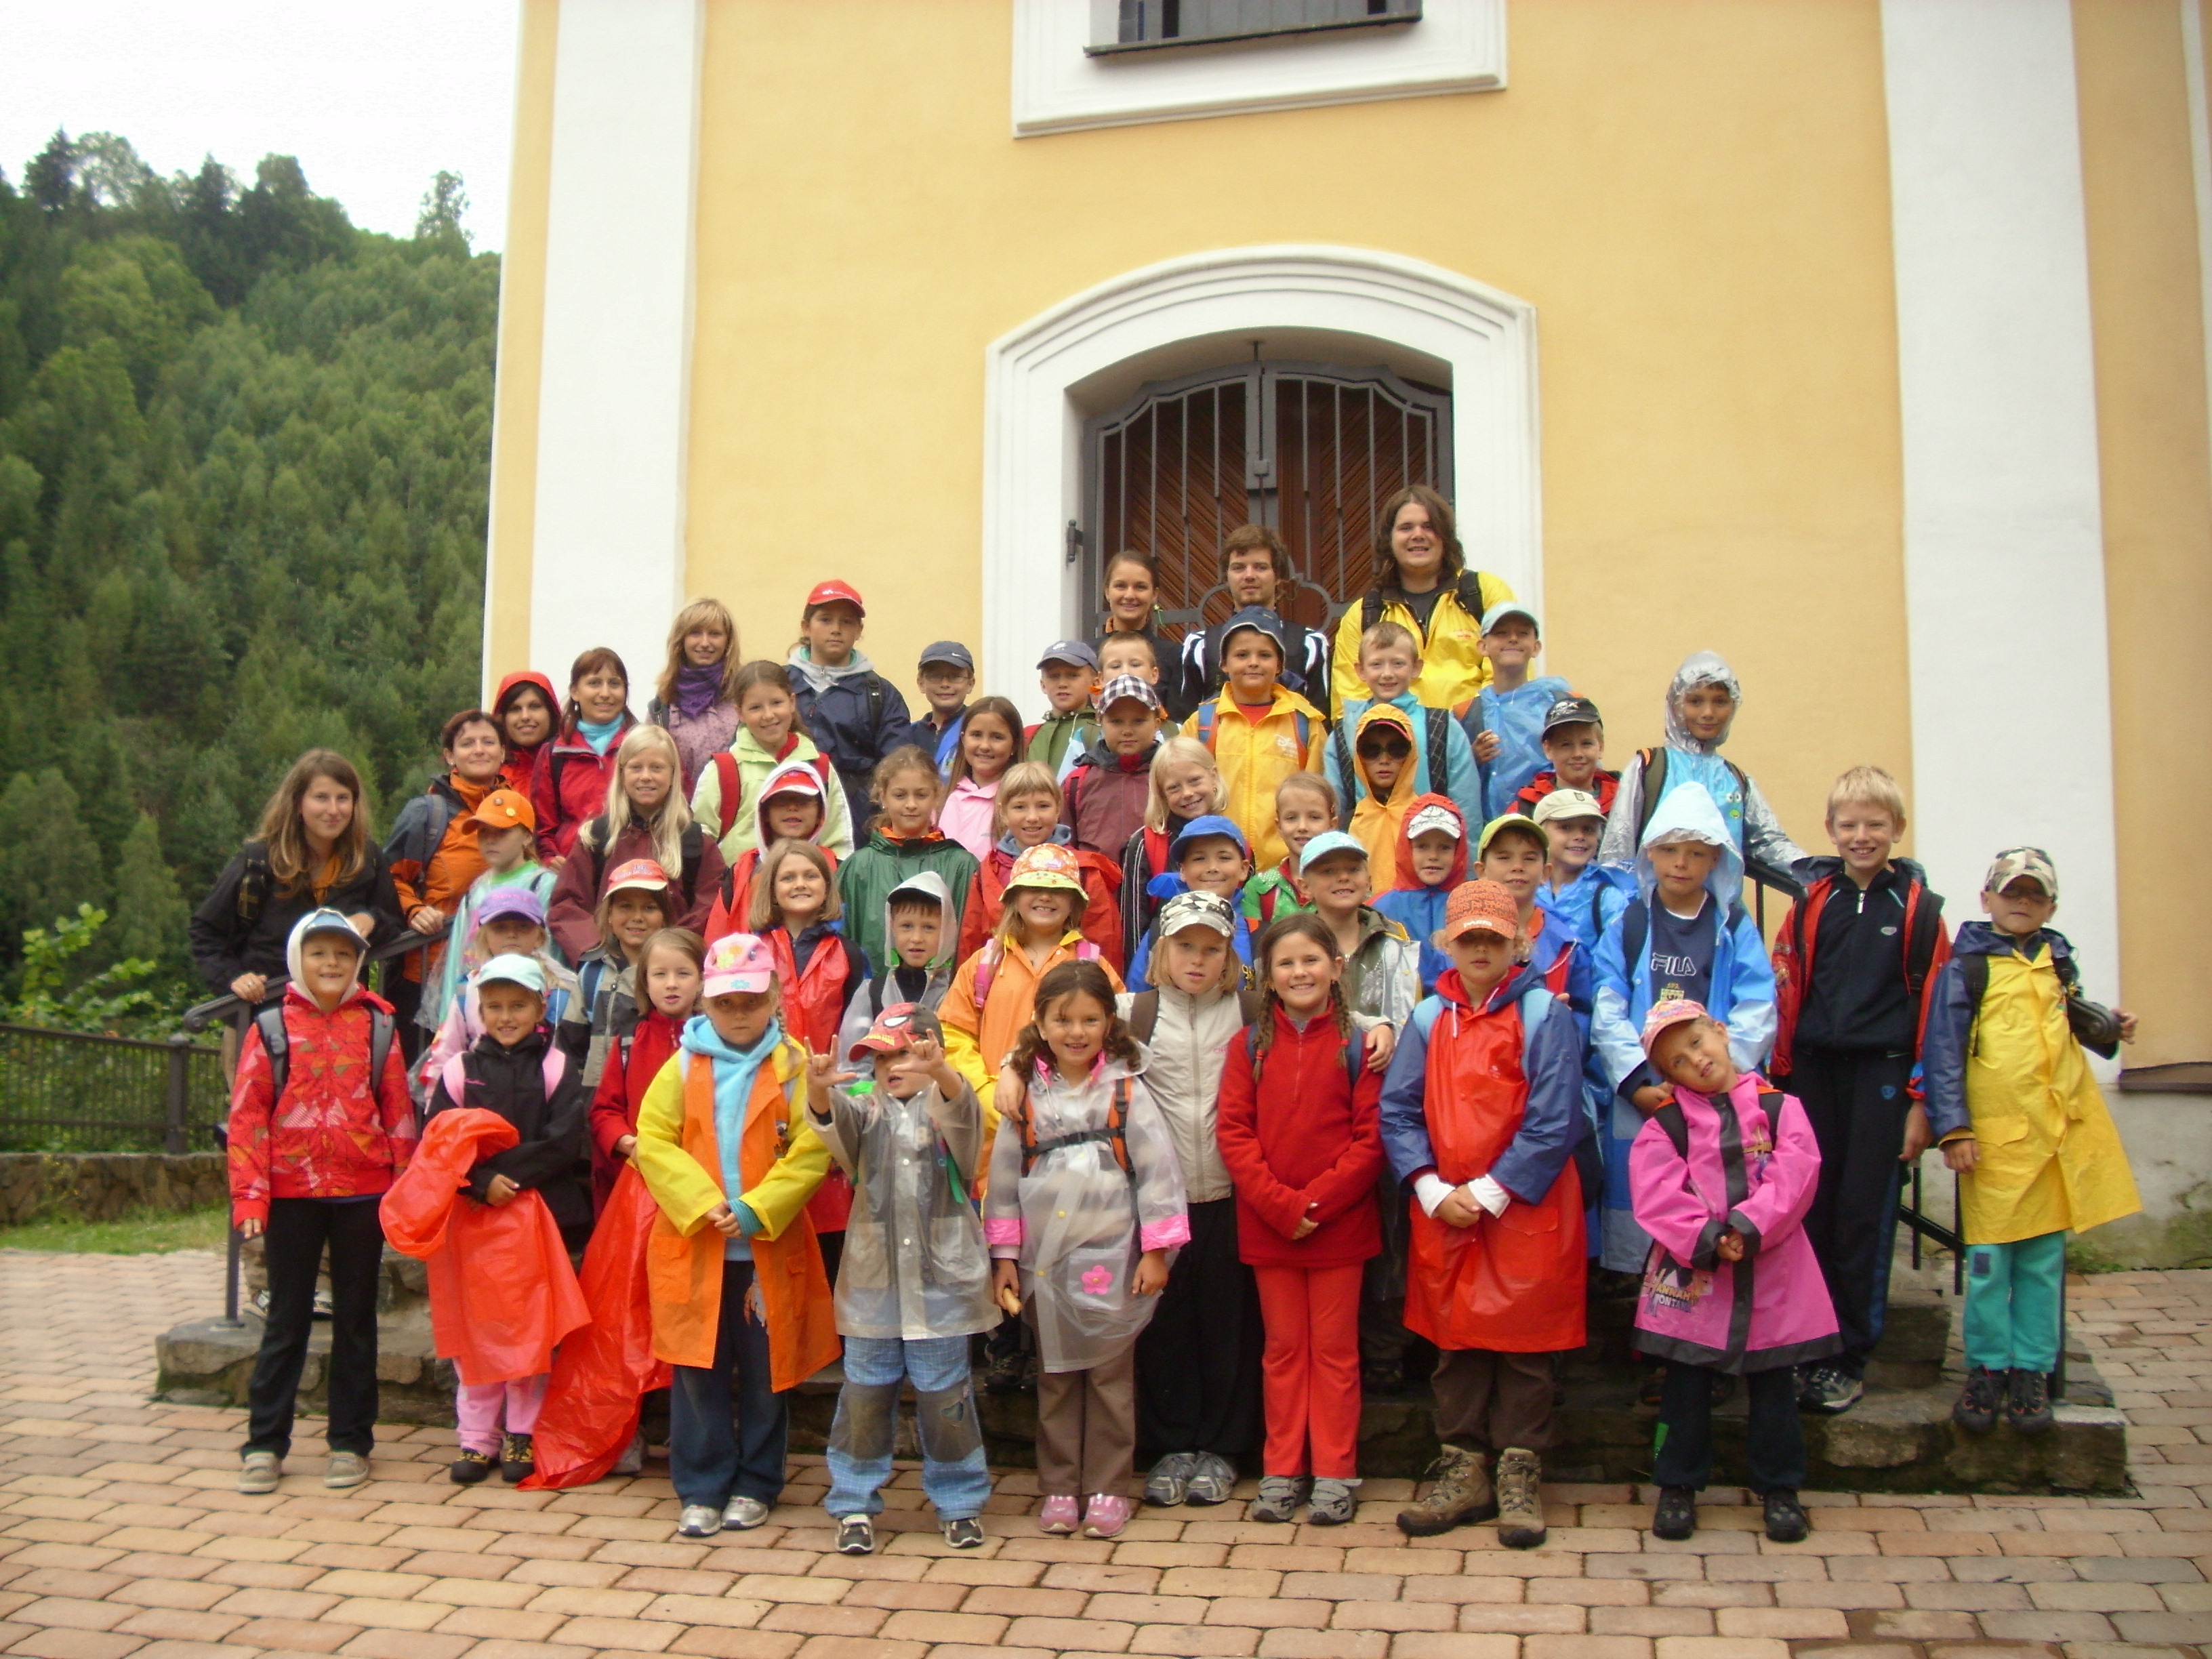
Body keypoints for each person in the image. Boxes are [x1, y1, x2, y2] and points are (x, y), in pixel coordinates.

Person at [1381, 880, 1586, 1549]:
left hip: (1526, 1208)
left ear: (1516, 943)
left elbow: (1555, 1118)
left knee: (1526, 1350)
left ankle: (1520, 1472)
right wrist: (1430, 1187)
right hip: (1447, 1209)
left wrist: (1495, 1190)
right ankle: (1463, 1467)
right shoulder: (1427, 1019)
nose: (1479, 949)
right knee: (1456, 1345)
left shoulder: (1544, 1016)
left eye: (1492, 938)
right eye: (1467, 937)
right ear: (1447, 942)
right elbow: (1398, 1110)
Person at [1923, 847, 2141, 1437]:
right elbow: (1943, 1052)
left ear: (2051, 906)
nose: (2022, 903)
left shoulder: (2056, 963)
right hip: (1994, 1148)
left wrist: (2109, 1027)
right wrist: (1954, 1129)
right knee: (1989, 1265)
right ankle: (1987, 1367)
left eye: (2034, 895)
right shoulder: (1967, 969)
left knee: (2043, 1265)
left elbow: (2070, 1027)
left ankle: (2032, 1370)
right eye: (2011, 892)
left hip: (2051, 1143)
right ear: (1987, 898)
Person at [632, 933, 840, 1540]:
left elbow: (811, 1149)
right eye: (727, 1003)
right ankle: (701, 1486)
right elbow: (653, 1140)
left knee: (765, 1370)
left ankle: (756, 1483)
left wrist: (755, 1209)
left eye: (751, 1001)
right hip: (697, 1246)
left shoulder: (793, 1066)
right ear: (707, 1002)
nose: (740, 1013)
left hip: (765, 1248)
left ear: (774, 997)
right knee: (698, 1370)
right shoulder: (682, 1065)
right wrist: (702, 1205)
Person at [1769, 766, 1951, 1415]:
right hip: (1815, 1073)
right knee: (1811, 1212)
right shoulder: (1813, 902)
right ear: (1830, 830)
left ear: (1897, 828)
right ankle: (1808, 1345)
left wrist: (1923, 1103)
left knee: (1862, 1217)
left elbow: (1937, 1013)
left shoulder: (1921, 911)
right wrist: (1780, 1079)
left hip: (1882, 1076)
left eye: (1875, 824)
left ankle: (1849, 1356)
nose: (1862, 836)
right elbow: (1786, 986)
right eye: (1849, 825)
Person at [985, 961, 1189, 1540]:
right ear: (1041, 1024)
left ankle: (1107, 1487)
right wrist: (1004, 1257)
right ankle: (1058, 1485)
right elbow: (1003, 1181)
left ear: (1109, 1023)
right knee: (1054, 1376)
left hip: (1113, 1260)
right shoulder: (1025, 1096)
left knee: (1109, 1377)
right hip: (1046, 1267)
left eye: (1090, 1020)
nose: (1076, 1032)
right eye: (1063, 1020)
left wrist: (1156, 1252)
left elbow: (1158, 1175)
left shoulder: (1126, 1091)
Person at [1631, 1001, 1834, 1546]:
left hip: (1774, 1274)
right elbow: (1656, 1193)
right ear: (1668, 1076)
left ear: (1720, 1033)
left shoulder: (1780, 1108)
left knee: (1774, 1386)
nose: (1696, 1060)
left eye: (1697, 1043)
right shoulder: (1666, 1126)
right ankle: (1676, 1484)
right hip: (1696, 1281)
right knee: (1685, 1386)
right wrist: (1708, 1237)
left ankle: (1780, 1487)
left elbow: (1796, 1174)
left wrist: (1749, 1225)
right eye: (1678, 1061)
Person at [228, 910, 415, 1496]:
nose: (331, 963)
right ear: (297, 959)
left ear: (358, 961)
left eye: (343, 953)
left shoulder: (380, 1025)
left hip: (364, 1194)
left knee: (357, 1321)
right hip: (292, 1195)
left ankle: (350, 1442)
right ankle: (265, 1443)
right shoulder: (271, 1027)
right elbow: (248, 1117)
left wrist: (405, 1192)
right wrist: (250, 1196)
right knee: (286, 1320)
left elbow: (399, 1112)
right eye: (318, 953)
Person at [806, 1006, 996, 1554]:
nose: (891, 1066)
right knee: (864, 1395)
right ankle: (853, 1501)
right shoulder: (867, 1113)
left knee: (946, 1397)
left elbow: (966, 1116)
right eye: (882, 1057)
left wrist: (942, 1073)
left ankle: (959, 1501)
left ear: (935, 1051)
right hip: (875, 1287)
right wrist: (818, 1090)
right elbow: (833, 1123)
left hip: (943, 1287)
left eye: (906, 1053)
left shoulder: (951, 1106)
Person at [1216, 912, 1384, 1526]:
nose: (1299, 972)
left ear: (1336, 968)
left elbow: (1371, 1140)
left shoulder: (1360, 1046)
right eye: (1285, 964)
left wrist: (1316, 1204)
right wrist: (1282, 1207)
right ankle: (1282, 1468)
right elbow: (1234, 1134)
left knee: (1335, 1353)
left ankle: (1335, 1470)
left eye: (1311, 960)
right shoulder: (1248, 1047)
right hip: (1271, 1228)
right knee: (1284, 1351)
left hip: (1340, 1229)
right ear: (1267, 977)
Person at [1591, 784, 1778, 1277]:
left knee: (1714, 1197)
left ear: (1716, 859)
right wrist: (1636, 1083)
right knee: (1648, 1195)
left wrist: (1723, 1072)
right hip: (1648, 1097)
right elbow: (1607, 1009)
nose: (1681, 863)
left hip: (1717, 1091)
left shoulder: (1732, 926)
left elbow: (1757, 1003)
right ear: (1650, 853)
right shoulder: (1629, 924)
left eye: (1696, 853)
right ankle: (1648, 1299)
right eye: (1670, 850)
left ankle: (1709, 1300)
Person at [424, 953, 594, 1481]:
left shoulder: (557, 1066)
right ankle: (477, 1438)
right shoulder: (460, 1071)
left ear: (540, 1008)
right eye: (494, 1006)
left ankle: (524, 1432)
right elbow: (440, 1142)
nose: (505, 1016)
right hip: (476, 1221)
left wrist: (506, 1179)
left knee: (531, 1330)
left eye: (517, 1005)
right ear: (479, 1011)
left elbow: (564, 1141)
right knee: (478, 1328)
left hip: (540, 1219)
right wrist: (479, 1183)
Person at [1124, 892, 1265, 1513]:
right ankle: (1171, 1444)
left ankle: (1225, 1447)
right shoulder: (1134, 1014)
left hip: (1234, 1195)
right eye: (1185, 946)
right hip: (1162, 1201)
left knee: (1230, 1325)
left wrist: (1381, 1027)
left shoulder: (1251, 1010)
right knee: (1166, 1328)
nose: (1198, 960)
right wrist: (1017, 1071)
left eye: (1212, 949)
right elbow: (1055, 1029)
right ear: (1162, 951)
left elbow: (1331, 1014)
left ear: (1230, 957)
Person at [191, 750, 402, 1078]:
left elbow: (393, 922)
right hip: (263, 1023)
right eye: (321, 798)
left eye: (343, 798)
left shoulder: (367, 859)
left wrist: (371, 920)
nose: (333, 810)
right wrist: (233, 979)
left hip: (341, 1026)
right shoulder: (260, 860)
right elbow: (206, 931)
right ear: (298, 803)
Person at [1597, 651, 1807, 892]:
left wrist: (1814, 870)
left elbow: (1767, 841)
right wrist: (1623, 906)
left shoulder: (1737, 780)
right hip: (1654, 909)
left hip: (1719, 912)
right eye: (1695, 701)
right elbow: (1619, 847)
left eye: (1720, 702)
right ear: (1676, 705)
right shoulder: (1649, 768)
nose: (1708, 712)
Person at [944, 843, 1124, 1115]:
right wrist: (984, 1091)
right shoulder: (985, 963)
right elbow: (954, 1033)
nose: (1046, 897)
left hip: (1071, 1119)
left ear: (1075, 903)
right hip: (993, 1117)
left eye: (1058, 890)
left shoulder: (1094, 967)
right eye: (1033, 888)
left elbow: (1116, 1034)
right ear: (1014, 898)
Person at [1329, 485, 1515, 720]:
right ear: (1389, 539)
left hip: (1477, 736)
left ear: (1445, 536)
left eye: (1429, 526)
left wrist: (1467, 731)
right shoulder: (1364, 614)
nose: (1418, 535)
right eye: (1406, 528)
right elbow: (1349, 705)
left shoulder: (1484, 593)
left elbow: (1509, 675)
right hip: (1395, 740)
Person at [387, 710, 510, 1056]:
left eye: (488, 742)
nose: (479, 750)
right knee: (425, 1074)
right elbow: (388, 877)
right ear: (450, 756)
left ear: (503, 752)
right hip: (427, 972)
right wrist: (414, 910)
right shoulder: (427, 813)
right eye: (467, 744)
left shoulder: (517, 812)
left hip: (494, 970)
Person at [548, 724, 724, 961]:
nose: (646, 776)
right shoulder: (597, 837)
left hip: (672, 968)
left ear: (673, 775)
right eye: (636, 767)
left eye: (657, 768)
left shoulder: (695, 843)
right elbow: (567, 905)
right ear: (622, 773)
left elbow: (711, 907)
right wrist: (598, 953)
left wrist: (673, 950)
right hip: (608, 965)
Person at [1189, 607, 1326, 872]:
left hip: (1286, 868)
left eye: (1265, 655)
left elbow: (1318, 798)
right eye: (1242, 655)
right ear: (1224, 664)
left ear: (1280, 665)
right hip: (1218, 866)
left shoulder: (1305, 723)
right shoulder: (1203, 723)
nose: (1253, 662)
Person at [422, 788, 560, 1042]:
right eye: (484, 832)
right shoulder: (477, 888)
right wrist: (448, 1019)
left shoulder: (543, 884)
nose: (491, 840)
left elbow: (550, 953)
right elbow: (456, 956)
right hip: (477, 1003)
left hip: (525, 1007)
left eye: (502, 832)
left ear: (527, 837)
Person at [958, 762, 1124, 972]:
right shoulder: (989, 871)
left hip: (1067, 981)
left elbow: (1104, 942)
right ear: (1003, 813)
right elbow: (972, 941)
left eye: (1043, 806)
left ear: (1058, 809)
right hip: (1004, 981)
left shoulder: (1082, 871)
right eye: (1020, 807)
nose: (1032, 817)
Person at [690, 660, 856, 865]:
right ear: (739, 713)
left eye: (777, 703)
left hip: (804, 881)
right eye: (756, 708)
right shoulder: (723, 770)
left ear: (792, 702)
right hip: (739, 882)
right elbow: (702, 840)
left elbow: (838, 842)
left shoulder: (819, 766)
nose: (768, 715)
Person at [590, 926, 702, 1221]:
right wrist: (626, 1142)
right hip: (638, 1178)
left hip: (699, 1182)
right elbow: (605, 1110)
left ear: (702, 980)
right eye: (660, 974)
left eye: (683, 974)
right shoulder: (629, 1040)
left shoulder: (713, 1043)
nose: (671, 984)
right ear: (645, 982)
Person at [837, 746, 980, 975]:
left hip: (948, 993)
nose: (911, 804)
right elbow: (842, 944)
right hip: (874, 992)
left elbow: (973, 942)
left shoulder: (961, 866)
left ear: (937, 795)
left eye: (921, 795)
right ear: (882, 796)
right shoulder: (859, 867)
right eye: (900, 795)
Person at [420, 886, 577, 1092]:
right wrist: (439, 1106)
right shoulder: (468, 991)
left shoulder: (562, 991)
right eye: (500, 928)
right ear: (484, 936)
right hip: (478, 1098)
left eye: (523, 927)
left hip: (541, 1098)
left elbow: (570, 1060)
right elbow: (445, 1056)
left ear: (539, 936)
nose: (511, 934)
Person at [1326, 620, 1479, 830]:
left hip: (1428, 843)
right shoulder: (1345, 732)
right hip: (1363, 843)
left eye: (1398, 664)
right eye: (1376, 664)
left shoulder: (1442, 727)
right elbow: (1333, 805)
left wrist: (1467, 850)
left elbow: (1466, 803)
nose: (1387, 673)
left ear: (1416, 667)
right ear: (1360, 670)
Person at [786, 579, 912, 823]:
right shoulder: (778, 685)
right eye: (825, 620)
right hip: (786, 815)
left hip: (858, 824)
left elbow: (898, 769)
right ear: (806, 627)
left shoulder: (881, 694)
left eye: (847, 621)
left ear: (859, 630)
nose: (836, 629)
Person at [1179, 525, 1330, 712]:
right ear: (1227, 577)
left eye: (1260, 567)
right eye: (1239, 568)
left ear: (1278, 576)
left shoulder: (1310, 644)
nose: (1249, 576)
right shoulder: (1200, 645)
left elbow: (1321, 721)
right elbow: (1185, 721)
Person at [556, 859, 674, 1090]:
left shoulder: (672, 976)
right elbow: (570, 1046)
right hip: (594, 1096)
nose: (637, 917)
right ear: (609, 914)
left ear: (665, 916)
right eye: (625, 907)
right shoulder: (592, 973)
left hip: (651, 1097)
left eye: (649, 908)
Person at [702, 756, 840, 945]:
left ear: (820, 813)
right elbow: (716, 941)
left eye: (804, 801)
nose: (792, 808)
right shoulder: (741, 872)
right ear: (765, 813)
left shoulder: (837, 869)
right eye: (782, 801)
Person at [1458, 602, 1570, 822]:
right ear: (1483, 646)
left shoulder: (1558, 704)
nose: (1513, 639)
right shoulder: (1468, 713)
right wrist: (1472, 758)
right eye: (1501, 633)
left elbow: (1584, 764)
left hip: (1551, 824)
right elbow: (1453, 780)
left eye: (1523, 633)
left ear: (1536, 647)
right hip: (1489, 831)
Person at [1300, 830, 1422, 1027]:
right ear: (1305, 887)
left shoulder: (1395, 939)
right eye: (1328, 871)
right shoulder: (1293, 944)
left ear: (1369, 881)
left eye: (1354, 869)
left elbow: (1408, 1010)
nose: (1343, 877)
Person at [531, 648, 639, 863]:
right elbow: (542, 825)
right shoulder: (555, 753)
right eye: (594, 683)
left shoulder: (644, 747)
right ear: (575, 691)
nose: (605, 693)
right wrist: (550, 857)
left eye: (614, 684)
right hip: (572, 867)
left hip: (633, 868)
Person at [837, 870, 959, 1061]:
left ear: (947, 931)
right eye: (907, 926)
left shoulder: (958, 992)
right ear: (892, 926)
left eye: (929, 927)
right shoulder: (872, 993)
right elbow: (852, 1064)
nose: (916, 938)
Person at [1120, 735, 1226, 951]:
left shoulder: (1234, 841)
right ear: (1162, 794)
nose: (1187, 793)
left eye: (1195, 781)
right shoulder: (1145, 845)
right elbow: (1134, 926)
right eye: (1174, 788)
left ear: (1213, 776)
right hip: (1160, 963)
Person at [1125, 814, 1255, 985]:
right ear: (1183, 871)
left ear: (1244, 869)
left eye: (1224, 858)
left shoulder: (1256, 935)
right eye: (1199, 859)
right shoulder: (1160, 933)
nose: (1212, 868)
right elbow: (1136, 995)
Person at [1373, 794, 1470, 996]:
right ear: (1407, 848)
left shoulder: (1474, 904)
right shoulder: (1380, 909)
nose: (1433, 856)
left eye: (1444, 847)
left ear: (1458, 851)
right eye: (1422, 846)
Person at [1063, 675, 1167, 863]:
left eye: (1139, 721)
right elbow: (1063, 845)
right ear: (1100, 721)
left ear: (1157, 723)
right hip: (1096, 880)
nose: (1127, 731)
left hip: (1157, 880)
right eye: (1117, 722)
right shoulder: (1077, 783)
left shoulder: (1172, 777)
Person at [648, 598, 743, 792]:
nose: (705, 643)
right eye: (695, 633)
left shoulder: (743, 696)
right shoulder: (662, 708)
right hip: (678, 809)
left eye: (715, 634)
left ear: (728, 641)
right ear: (681, 640)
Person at [1092, 547, 1195, 720]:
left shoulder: (1174, 656)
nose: (1129, 595)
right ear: (1107, 591)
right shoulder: (1088, 654)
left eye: (1140, 587)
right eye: (1121, 586)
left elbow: (1178, 722)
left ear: (1154, 594)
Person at [1240, 773, 1333, 942]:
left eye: (1314, 817)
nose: (1302, 827)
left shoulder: (1345, 884)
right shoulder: (1259, 888)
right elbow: (1253, 947)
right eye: (1291, 818)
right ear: (1279, 826)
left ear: (1332, 824)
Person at [1531, 788, 1624, 954]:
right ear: (1539, 833)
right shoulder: (1522, 886)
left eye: (1588, 829)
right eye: (1566, 827)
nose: (1580, 836)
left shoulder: (1607, 897)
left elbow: (1612, 962)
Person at [937, 695, 1023, 862]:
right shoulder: (944, 799)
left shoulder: (1023, 801)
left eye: (997, 737)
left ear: (1014, 744)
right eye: (976, 735)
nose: (985, 746)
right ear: (963, 739)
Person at [1341, 703, 1420, 874]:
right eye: (1371, 750)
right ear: (1358, 756)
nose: (1384, 760)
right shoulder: (1346, 824)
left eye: (1397, 749)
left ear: (1411, 753)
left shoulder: (1427, 818)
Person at [1512, 695, 1619, 817]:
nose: (1577, 754)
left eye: (1586, 744)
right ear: (1548, 749)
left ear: (1601, 747)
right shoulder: (1526, 807)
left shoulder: (1624, 800)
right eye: (1566, 745)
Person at [1026, 640, 1103, 781]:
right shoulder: (1028, 737)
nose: (1062, 684)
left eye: (1073, 675)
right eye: (1053, 676)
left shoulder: (1102, 733)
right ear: (1043, 684)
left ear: (1096, 682)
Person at [897, 640, 975, 779]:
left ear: (970, 683)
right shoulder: (909, 735)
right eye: (935, 676)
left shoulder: (977, 731)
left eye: (955, 676)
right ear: (921, 683)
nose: (945, 684)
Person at [493, 671, 562, 794]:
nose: (525, 717)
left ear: (551, 713)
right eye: (515, 709)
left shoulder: (570, 766)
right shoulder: (488, 771)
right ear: (503, 718)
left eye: (535, 706)